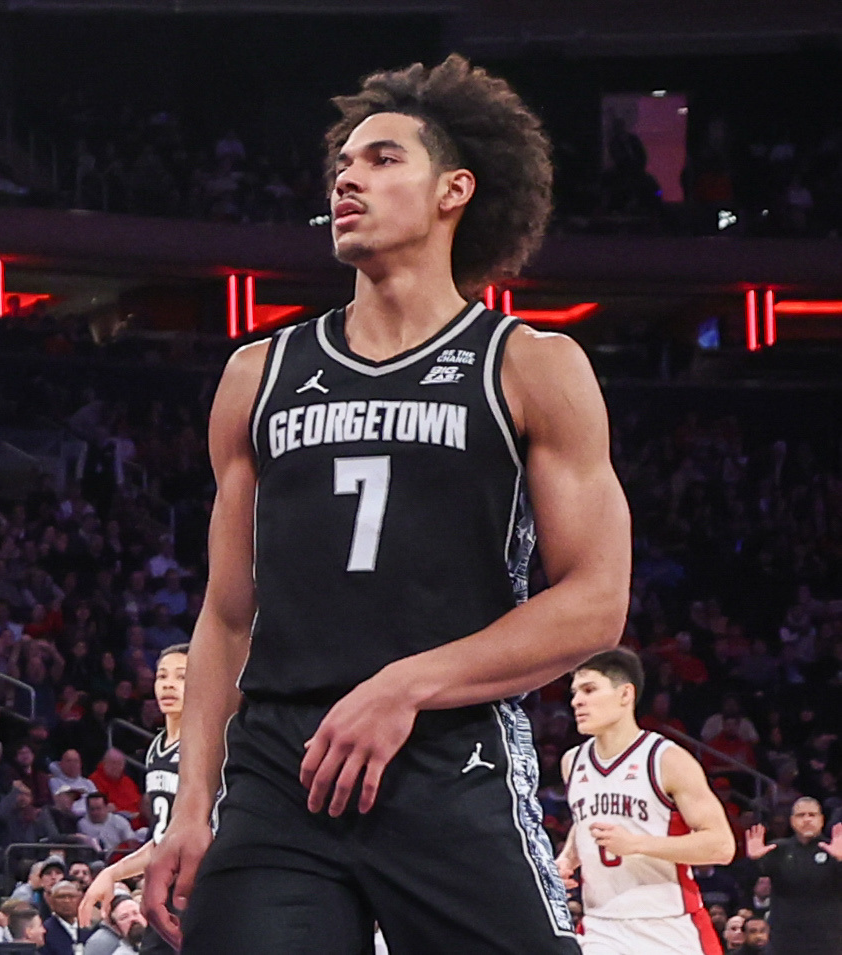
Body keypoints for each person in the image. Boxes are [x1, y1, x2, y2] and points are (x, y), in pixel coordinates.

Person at [149, 59, 630, 955]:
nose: (347, 178)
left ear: (455, 188)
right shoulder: (259, 372)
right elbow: (225, 614)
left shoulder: (530, 364)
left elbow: (595, 600)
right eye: (342, 165)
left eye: (380, 159)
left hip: (450, 757)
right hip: (279, 771)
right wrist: (190, 800)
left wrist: (406, 683)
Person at [558, 647, 733, 955]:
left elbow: (721, 846)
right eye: (574, 693)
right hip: (601, 925)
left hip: (668, 925)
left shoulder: (667, 759)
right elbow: (585, 819)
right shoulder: (572, 761)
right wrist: (568, 858)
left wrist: (637, 844)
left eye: (589, 690)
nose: (576, 701)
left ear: (625, 694)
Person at [79, 645, 186, 943]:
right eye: (162, 675)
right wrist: (112, 873)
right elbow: (163, 840)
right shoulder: (157, 748)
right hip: (164, 891)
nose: (168, 684)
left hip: (203, 889)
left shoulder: (214, 744)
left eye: (181, 676)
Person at [743, 795, 842, 953]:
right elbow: (752, 881)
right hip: (784, 941)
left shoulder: (834, 849)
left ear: (822, 819)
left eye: (812, 815)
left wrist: (840, 860)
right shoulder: (778, 849)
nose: (807, 819)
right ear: (792, 820)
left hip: (827, 941)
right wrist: (754, 859)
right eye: (801, 815)